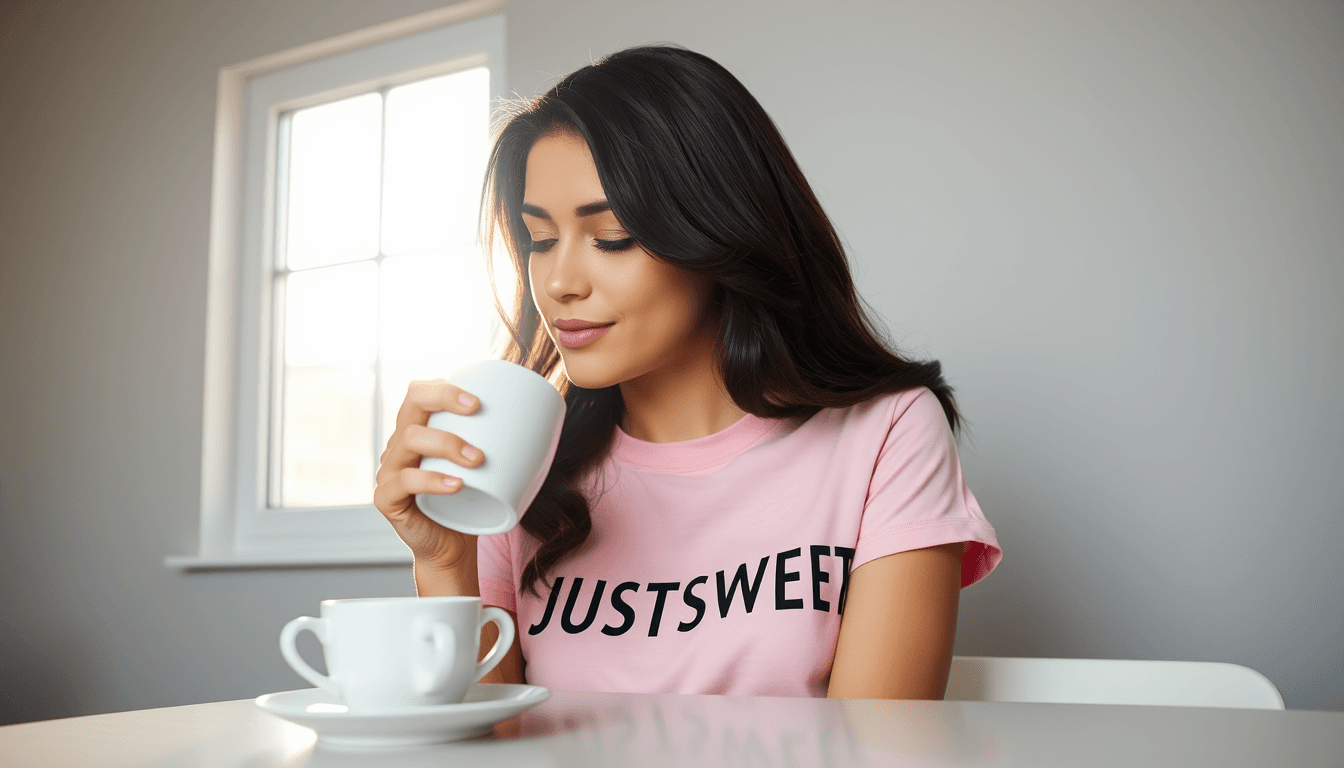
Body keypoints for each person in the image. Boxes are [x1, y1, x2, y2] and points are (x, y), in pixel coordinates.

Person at [373, 44, 1002, 699]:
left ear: (717, 229)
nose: (558, 282)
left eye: (611, 236)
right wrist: (445, 563)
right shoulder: (525, 467)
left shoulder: (884, 434)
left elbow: (876, 745)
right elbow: (487, 743)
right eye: (539, 240)